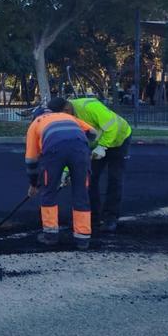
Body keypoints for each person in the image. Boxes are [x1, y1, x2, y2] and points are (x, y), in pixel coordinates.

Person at [50, 96, 132, 232]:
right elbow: (72, 147)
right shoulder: (67, 119)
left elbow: (112, 126)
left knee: (115, 179)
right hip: (96, 146)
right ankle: (92, 217)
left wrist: (103, 146)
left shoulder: (89, 107)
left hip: (120, 139)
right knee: (90, 178)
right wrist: (66, 171)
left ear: (66, 109)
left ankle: (110, 218)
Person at [25, 99, 98, 250]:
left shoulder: (35, 124)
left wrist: (34, 184)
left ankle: (50, 235)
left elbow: (31, 161)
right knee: (81, 192)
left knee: (49, 191)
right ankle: (83, 238)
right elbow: (93, 133)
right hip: (80, 149)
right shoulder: (68, 117)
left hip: (54, 151)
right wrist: (78, 149)